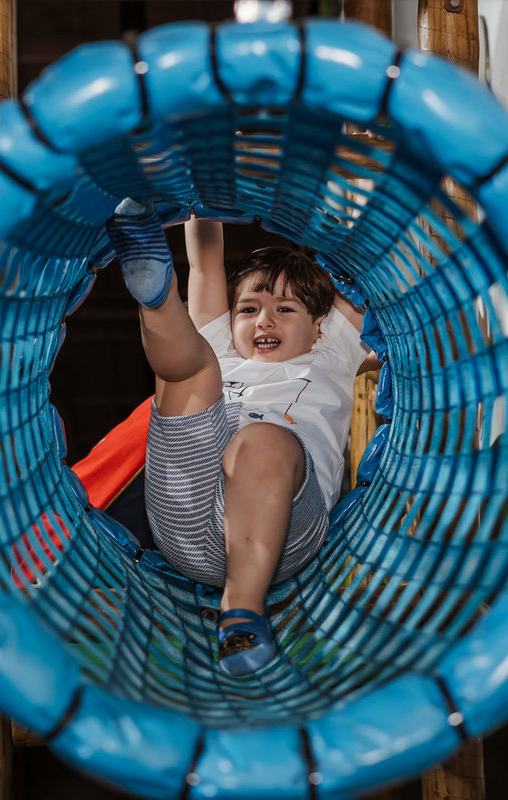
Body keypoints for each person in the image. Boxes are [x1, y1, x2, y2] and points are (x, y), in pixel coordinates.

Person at [104, 199, 374, 676]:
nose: (264, 320)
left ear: (318, 326)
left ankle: (241, 615)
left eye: (283, 309)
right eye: (249, 308)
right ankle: (154, 294)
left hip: (285, 527)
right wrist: (200, 180)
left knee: (261, 439)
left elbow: (367, 260)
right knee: (195, 370)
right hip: (185, 515)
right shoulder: (222, 345)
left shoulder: (331, 350)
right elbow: (205, 256)